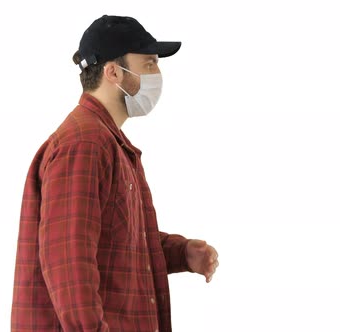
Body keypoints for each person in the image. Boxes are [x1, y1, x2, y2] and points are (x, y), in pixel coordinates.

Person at [11, 15, 219, 332]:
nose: (158, 74)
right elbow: (69, 263)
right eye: (148, 64)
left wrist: (182, 254)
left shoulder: (106, 142)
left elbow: (117, 243)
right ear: (112, 72)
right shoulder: (84, 145)